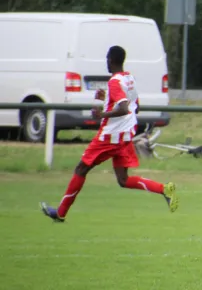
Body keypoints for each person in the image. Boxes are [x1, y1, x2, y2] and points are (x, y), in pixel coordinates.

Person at [40, 46, 178, 222]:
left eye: (107, 59)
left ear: (111, 60)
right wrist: (107, 98)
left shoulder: (114, 82)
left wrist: (102, 114)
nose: (106, 62)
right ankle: (164, 189)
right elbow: (135, 106)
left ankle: (60, 213)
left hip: (109, 137)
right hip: (125, 136)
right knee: (123, 180)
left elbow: (123, 108)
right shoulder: (129, 78)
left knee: (81, 169)